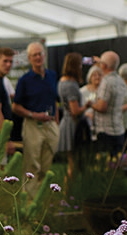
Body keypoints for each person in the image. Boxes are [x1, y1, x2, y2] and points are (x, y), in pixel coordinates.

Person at [12, 42, 59, 196]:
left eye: (40, 54)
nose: (38, 57)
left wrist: (56, 122)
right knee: (32, 163)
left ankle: (43, 195)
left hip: (50, 123)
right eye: (34, 55)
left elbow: (55, 100)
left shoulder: (52, 75)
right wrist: (33, 114)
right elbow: (16, 107)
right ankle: (31, 199)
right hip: (33, 124)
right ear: (29, 58)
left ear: (44, 55)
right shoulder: (25, 80)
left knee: (47, 161)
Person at [56, 52, 91, 186]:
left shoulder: (61, 81)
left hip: (67, 121)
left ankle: (70, 193)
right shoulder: (70, 85)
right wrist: (87, 106)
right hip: (73, 125)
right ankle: (70, 192)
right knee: (75, 164)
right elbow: (75, 111)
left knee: (73, 163)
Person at [92, 51, 127, 160]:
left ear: (104, 65)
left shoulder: (106, 82)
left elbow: (102, 107)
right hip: (118, 128)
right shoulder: (120, 80)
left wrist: (90, 104)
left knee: (105, 165)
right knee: (116, 162)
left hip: (105, 130)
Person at [80, 65, 103, 142]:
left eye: (99, 75)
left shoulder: (104, 91)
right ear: (90, 77)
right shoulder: (82, 91)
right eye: (94, 75)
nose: (97, 77)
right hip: (87, 118)